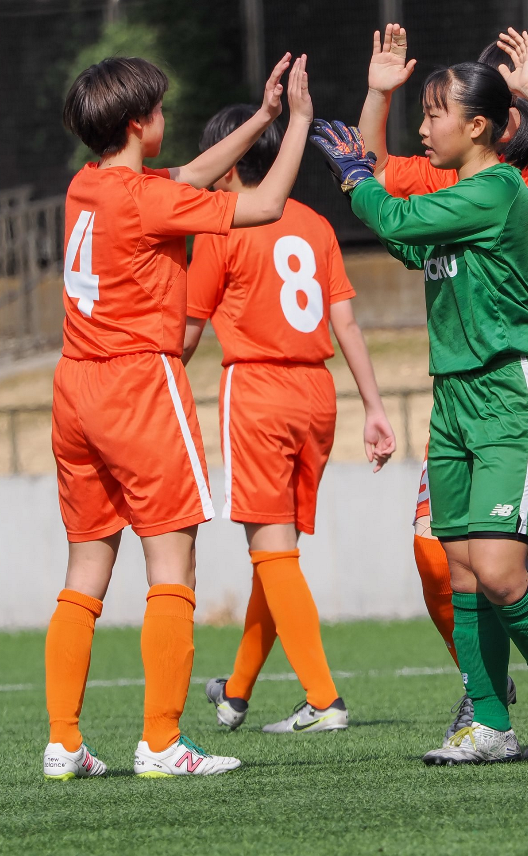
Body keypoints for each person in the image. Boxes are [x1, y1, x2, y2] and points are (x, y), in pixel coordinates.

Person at [311, 61, 528, 765]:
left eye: (435, 115)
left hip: (508, 395)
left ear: (479, 126)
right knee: (460, 570)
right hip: (454, 400)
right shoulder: (461, 195)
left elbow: (393, 212)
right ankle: (489, 723)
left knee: (498, 571)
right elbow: (405, 236)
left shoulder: (495, 189)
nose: (424, 127)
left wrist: (355, 177)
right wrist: (363, 182)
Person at [42, 53, 306, 781]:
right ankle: (161, 743)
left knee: (86, 567)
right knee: (172, 561)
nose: (165, 119)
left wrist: (260, 118)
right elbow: (264, 206)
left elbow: (184, 180)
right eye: (157, 111)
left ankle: (64, 742)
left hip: (75, 388)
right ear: (138, 123)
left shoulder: (87, 185)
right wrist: (299, 128)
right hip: (138, 385)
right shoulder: (143, 201)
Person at [182, 102, 396, 734]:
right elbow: (346, 321)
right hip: (317, 396)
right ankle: (237, 692)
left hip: (258, 389)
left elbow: (189, 333)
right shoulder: (312, 223)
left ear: (225, 165)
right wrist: (376, 407)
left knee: (272, 555)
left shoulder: (222, 226)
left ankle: (324, 699)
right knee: (277, 556)